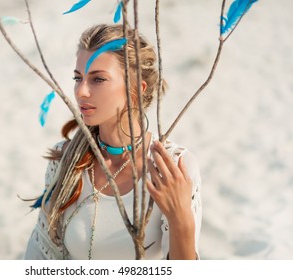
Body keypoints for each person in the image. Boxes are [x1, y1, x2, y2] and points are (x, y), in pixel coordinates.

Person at [24, 24, 202, 260]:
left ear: (136, 89)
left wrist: (181, 221)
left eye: (98, 79)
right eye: (78, 78)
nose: (81, 92)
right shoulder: (66, 160)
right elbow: (40, 259)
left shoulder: (173, 167)